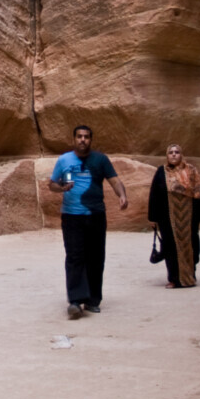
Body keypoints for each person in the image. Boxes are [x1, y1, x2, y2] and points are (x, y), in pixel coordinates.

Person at [48, 124, 128, 318]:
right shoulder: (64, 160)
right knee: (75, 257)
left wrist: (122, 195)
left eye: (86, 137)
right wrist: (61, 188)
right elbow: (51, 184)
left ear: (91, 140)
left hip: (96, 215)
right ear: (73, 139)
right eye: (79, 136)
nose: (82, 140)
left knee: (95, 257)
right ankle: (75, 301)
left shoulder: (100, 160)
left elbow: (115, 180)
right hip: (71, 216)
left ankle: (92, 300)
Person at [147, 144, 200, 288]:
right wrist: (153, 217)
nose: (174, 155)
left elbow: (199, 192)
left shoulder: (191, 171)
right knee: (170, 247)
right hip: (167, 217)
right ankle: (174, 278)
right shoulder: (161, 172)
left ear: (181, 155)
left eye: (177, 152)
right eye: (171, 152)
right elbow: (154, 194)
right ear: (167, 156)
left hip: (189, 218)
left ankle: (190, 276)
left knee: (191, 245)